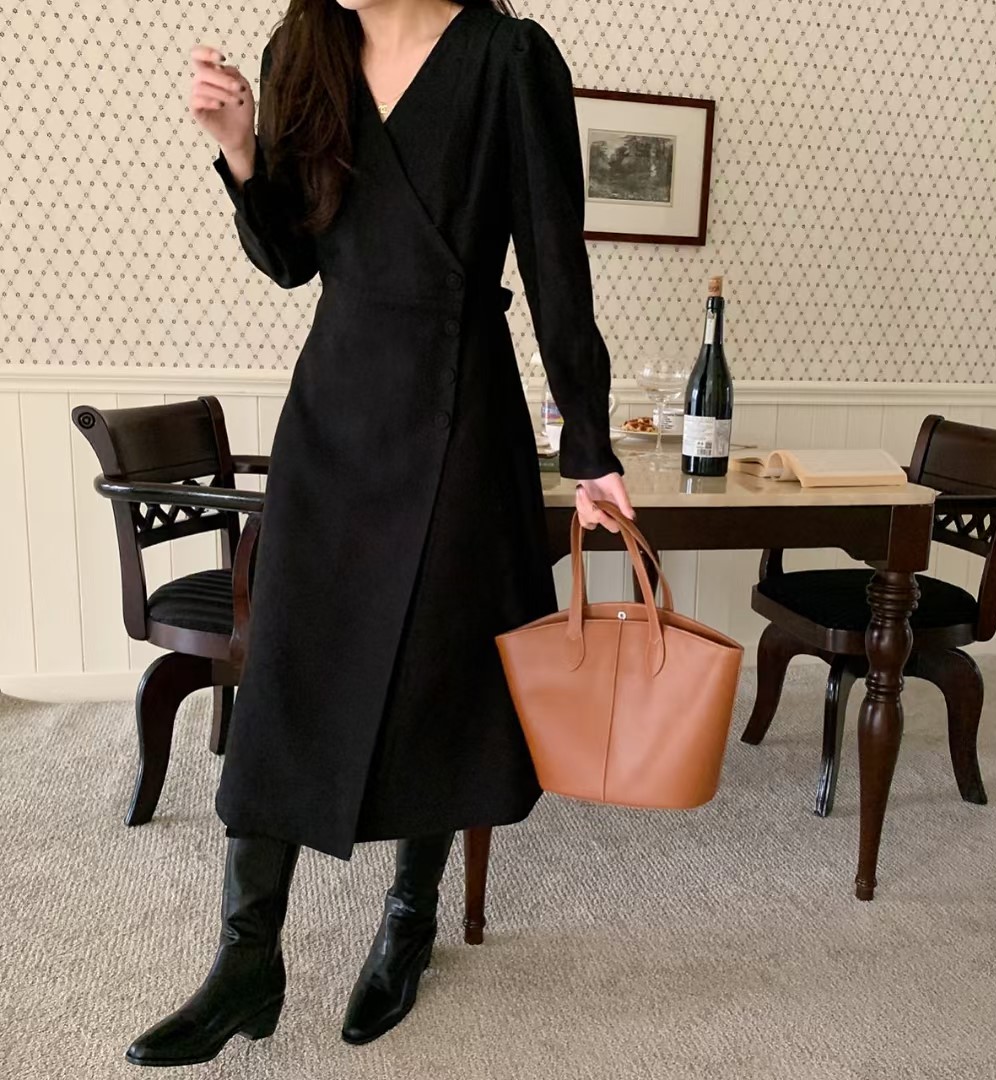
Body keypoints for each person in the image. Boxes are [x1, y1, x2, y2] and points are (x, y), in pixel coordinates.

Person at [125, 0, 635, 1066]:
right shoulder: (302, 48)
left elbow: (555, 258)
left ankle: (409, 920)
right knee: (288, 669)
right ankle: (245, 960)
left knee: (435, 675)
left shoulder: (509, 58)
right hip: (335, 406)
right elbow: (291, 259)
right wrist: (239, 146)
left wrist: (589, 447)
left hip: (460, 408)